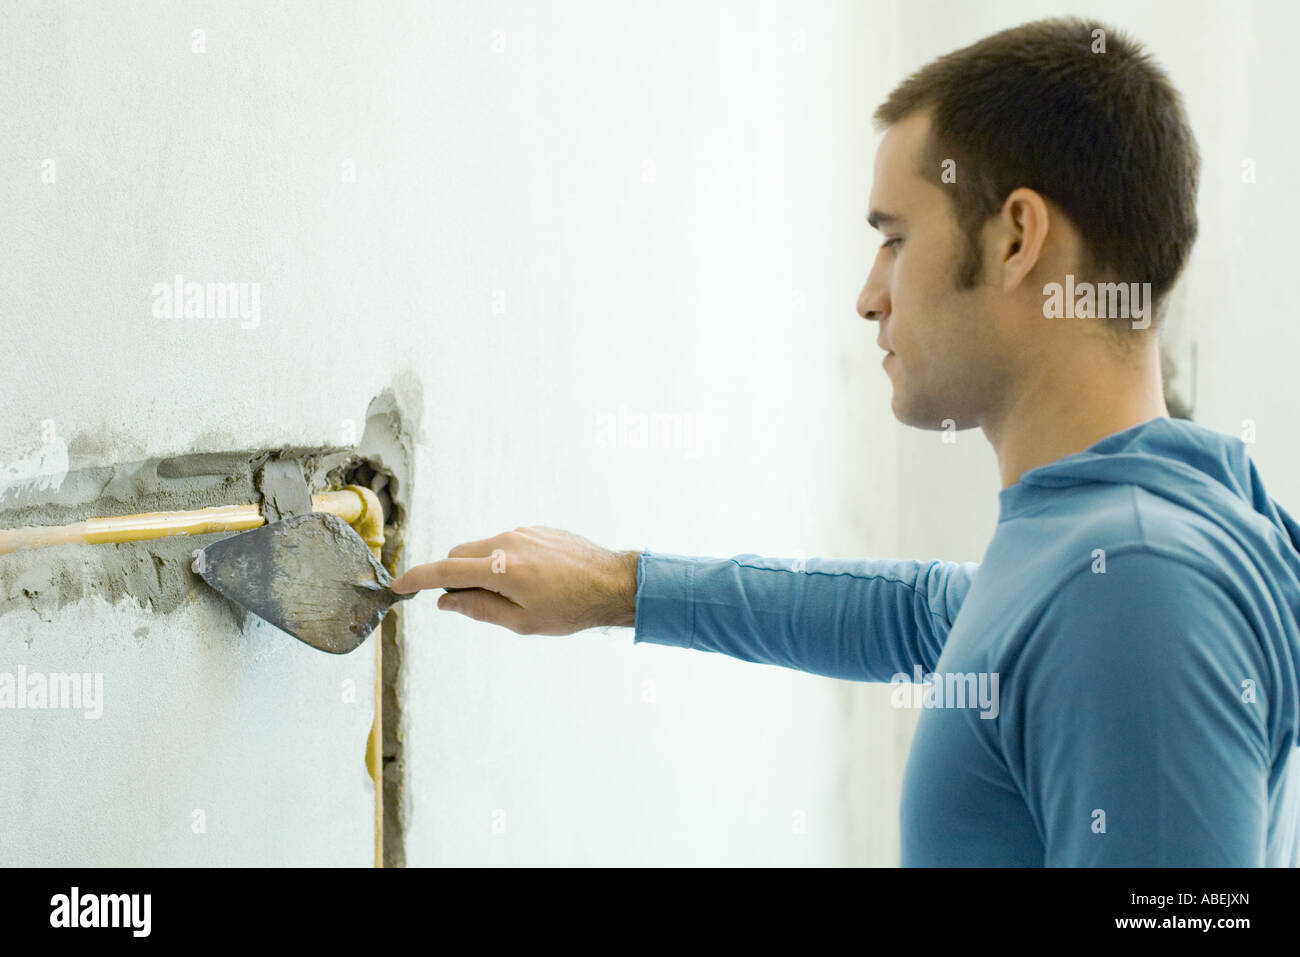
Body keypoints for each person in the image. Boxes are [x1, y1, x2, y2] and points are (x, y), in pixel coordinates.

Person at [391, 16, 1300, 866]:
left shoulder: (1135, 585)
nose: (871, 295)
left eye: (896, 240)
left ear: (1019, 235)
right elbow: (923, 617)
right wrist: (612, 587)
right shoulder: (1119, 532)